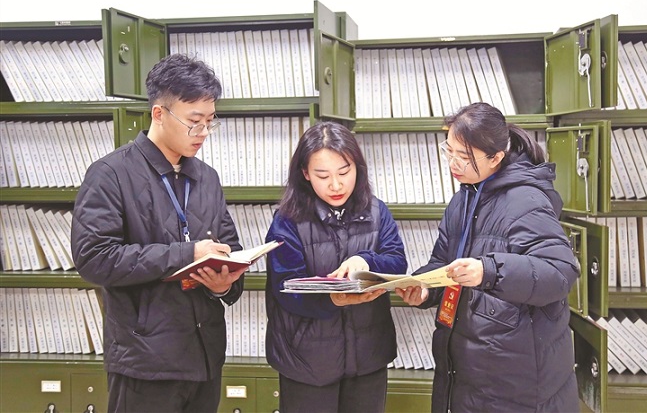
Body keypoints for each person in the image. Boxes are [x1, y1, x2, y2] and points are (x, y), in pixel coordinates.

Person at [71, 53, 246, 413]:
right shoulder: (111, 174)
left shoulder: (207, 178)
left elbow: (230, 247)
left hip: (205, 356)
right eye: (194, 122)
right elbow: (94, 258)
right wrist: (186, 254)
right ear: (159, 113)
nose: (203, 133)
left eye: (210, 122)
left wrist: (225, 284)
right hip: (145, 363)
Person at [396, 102, 581, 412]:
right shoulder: (464, 198)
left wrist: (489, 271)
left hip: (515, 381)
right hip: (468, 370)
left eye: (464, 156)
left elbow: (560, 272)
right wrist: (426, 289)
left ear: (496, 157)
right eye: (449, 151)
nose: (453, 163)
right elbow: (443, 263)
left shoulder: (525, 200)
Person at [264, 121, 407, 413]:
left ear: (357, 168)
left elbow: (397, 262)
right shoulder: (287, 221)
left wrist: (365, 260)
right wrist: (333, 299)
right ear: (305, 174)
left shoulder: (377, 211)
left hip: (368, 357)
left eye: (344, 172)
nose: (336, 185)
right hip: (306, 360)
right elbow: (285, 289)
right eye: (323, 175)